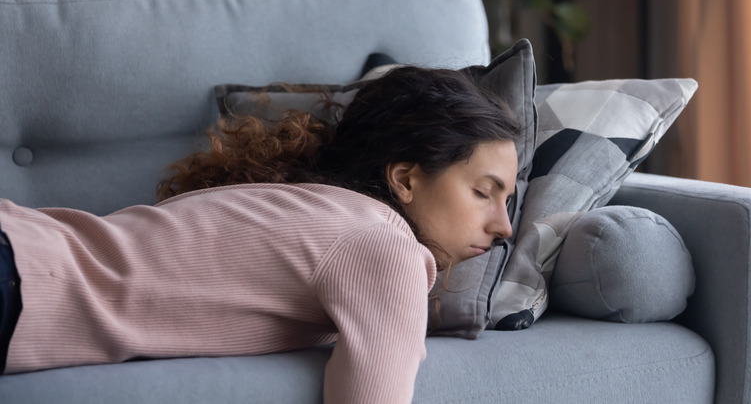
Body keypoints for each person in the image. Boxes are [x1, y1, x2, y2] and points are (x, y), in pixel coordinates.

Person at [0, 66, 521, 403]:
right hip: (19, 277)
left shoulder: (310, 207)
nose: (504, 227)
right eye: (483, 191)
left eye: (508, 200)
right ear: (405, 179)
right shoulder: (382, 247)